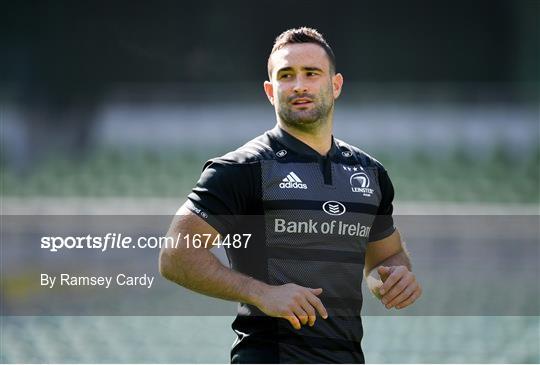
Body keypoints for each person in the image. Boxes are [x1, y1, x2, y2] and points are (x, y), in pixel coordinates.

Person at [159, 27, 422, 364]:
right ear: (271, 91)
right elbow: (175, 256)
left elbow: (386, 257)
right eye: (286, 75)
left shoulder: (370, 172)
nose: (299, 85)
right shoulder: (240, 169)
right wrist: (263, 294)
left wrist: (394, 276)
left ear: (335, 85)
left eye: (311, 73)